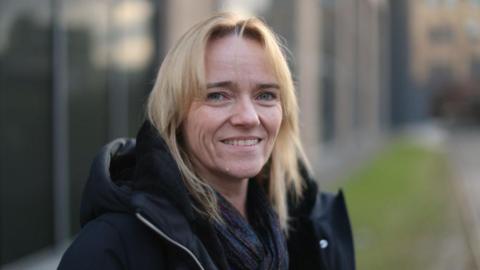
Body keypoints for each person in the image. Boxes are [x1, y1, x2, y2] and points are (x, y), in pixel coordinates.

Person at [58, 12, 355, 270]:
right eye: (217, 95)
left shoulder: (315, 229)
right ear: (175, 114)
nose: (248, 117)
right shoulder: (109, 249)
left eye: (265, 95)